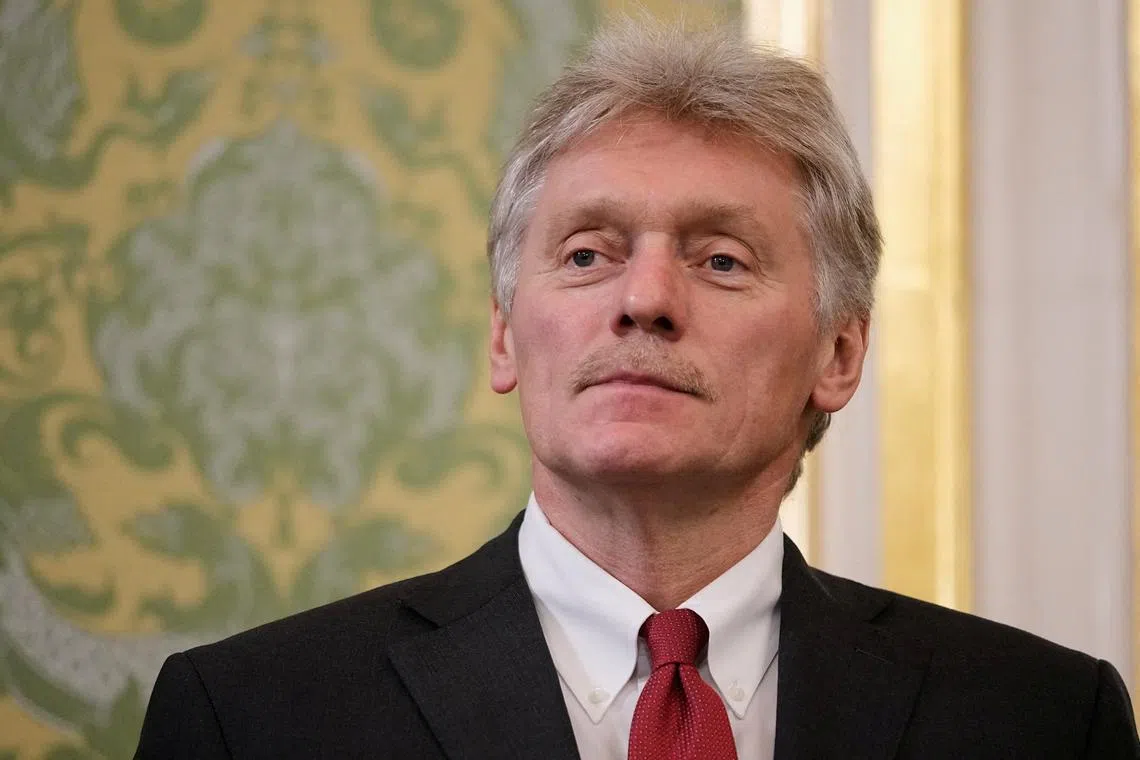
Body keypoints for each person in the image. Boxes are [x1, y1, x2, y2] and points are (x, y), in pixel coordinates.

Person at [135, 19, 1140, 759]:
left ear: (838, 354)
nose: (645, 298)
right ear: (503, 337)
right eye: (585, 254)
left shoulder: (1044, 721)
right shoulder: (253, 717)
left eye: (721, 261)